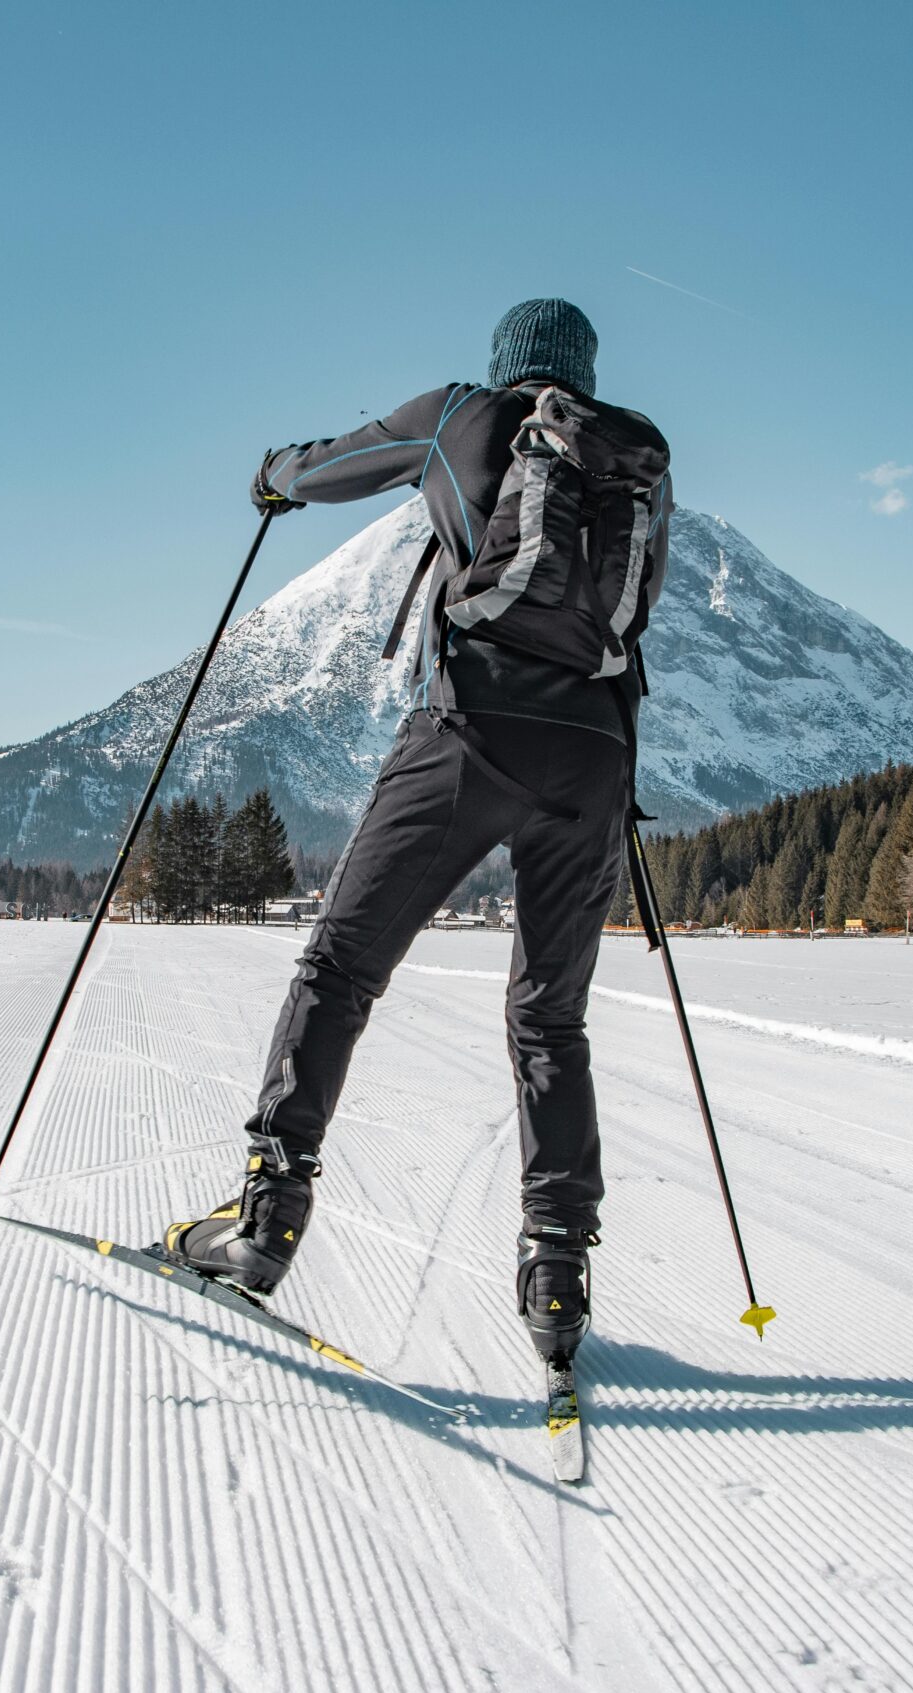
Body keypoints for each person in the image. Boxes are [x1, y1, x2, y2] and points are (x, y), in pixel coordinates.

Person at [162, 299, 672, 1365]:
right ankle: (556, 1270)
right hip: (594, 756)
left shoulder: (459, 415)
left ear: (505, 361)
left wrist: (273, 476)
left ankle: (266, 1218)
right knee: (550, 1018)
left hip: (471, 733)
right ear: (584, 373)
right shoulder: (629, 461)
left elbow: (332, 465)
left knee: (340, 967)